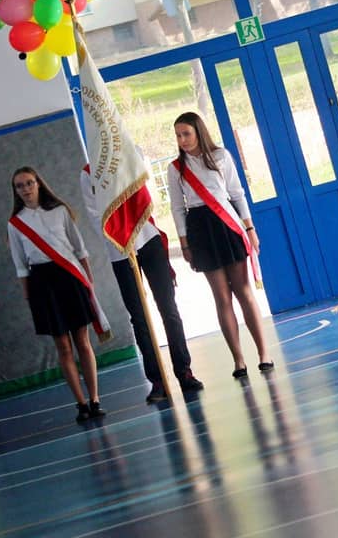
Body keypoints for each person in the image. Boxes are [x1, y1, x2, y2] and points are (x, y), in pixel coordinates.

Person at [80, 163, 204, 404]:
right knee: (138, 317)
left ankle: (184, 371)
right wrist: (119, 238)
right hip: (120, 250)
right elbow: (94, 215)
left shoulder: (129, 154)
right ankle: (157, 380)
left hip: (148, 239)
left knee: (169, 308)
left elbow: (146, 194)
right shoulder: (87, 173)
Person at [168, 112, 273, 379]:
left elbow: (237, 194)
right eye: (178, 135)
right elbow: (177, 208)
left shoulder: (221, 156)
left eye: (186, 134)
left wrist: (250, 229)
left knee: (244, 292)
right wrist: (184, 242)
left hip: (228, 226)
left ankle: (264, 353)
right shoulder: (175, 168)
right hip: (200, 231)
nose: (182, 140)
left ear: (199, 132)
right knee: (222, 297)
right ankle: (238, 359)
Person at [8, 166, 106, 424]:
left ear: (38, 183)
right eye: (20, 185)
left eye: (29, 183)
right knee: (62, 346)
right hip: (42, 285)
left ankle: (95, 399)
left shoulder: (60, 212)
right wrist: (30, 298)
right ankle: (81, 404)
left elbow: (79, 248)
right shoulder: (15, 224)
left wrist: (88, 281)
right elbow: (20, 265)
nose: (26, 189)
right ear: (15, 191)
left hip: (70, 279)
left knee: (82, 341)